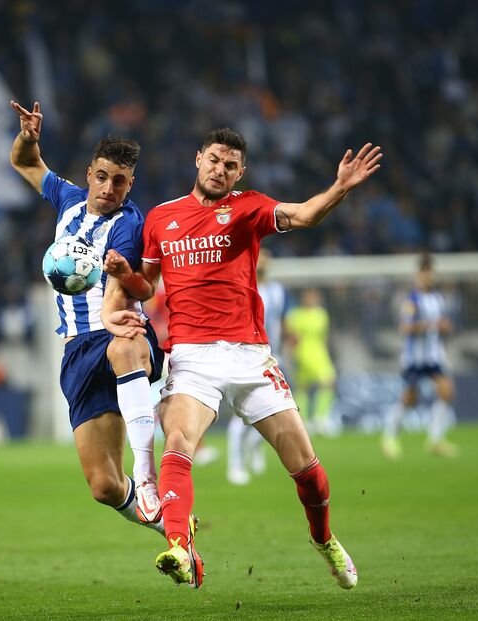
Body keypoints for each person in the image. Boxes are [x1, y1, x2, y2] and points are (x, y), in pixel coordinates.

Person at [102, 128, 382, 589]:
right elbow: (147, 288)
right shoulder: (162, 218)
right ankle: (178, 545)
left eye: (230, 165)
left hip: (250, 357)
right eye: (214, 160)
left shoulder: (249, 207)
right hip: (192, 357)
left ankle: (324, 538)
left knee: (307, 469)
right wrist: (126, 273)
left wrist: (340, 188)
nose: (220, 170)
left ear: (240, 172)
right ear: (198, 159)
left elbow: (306, 214)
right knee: (178, 441)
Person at [9, 100, 167, 534]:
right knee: (105, 486)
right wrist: (29, 136)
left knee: (126, 344)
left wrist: (112, 314)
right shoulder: (68, 200)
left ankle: (150, 478)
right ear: (88, 175)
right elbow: (25, 163)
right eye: (102, 177)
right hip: (77, 348)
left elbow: (120, 291)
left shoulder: (128, 225)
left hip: (116, 329)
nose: (109, 188)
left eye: (120, 181)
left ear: (129, 185)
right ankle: (172, 527)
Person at [382, 253, 459, 459]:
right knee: (409, 398)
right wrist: (431, 325)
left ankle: (435, 440)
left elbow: (442, 325)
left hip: (433, 356)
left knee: (446, 390)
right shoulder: (412, 300)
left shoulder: (438, 299)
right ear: (418, 275)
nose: (427, 277)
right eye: (424, 273)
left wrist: (445, 327)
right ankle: (389, 437)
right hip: (414, 358)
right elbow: (405, 327)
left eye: (430, 273)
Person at [225, 248, 285, 485]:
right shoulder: (239, 285)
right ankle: (235, 465)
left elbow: (281, 321)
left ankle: (255, 445)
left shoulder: (277, 291)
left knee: (281, 409)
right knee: (240, 416)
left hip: (272, 355)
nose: (264, 260)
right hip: (245, 356)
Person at [285, 287, 338, 436]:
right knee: (304, 387)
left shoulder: (322, 314)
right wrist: (293, 354)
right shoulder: (296, 315)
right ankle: (309, 419)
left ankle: (318, 417)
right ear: (303, 298)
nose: (311, 299)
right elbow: (291, 338)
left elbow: (325, 336)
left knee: (327, 382)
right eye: (308, 296)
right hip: (303, 353)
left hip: (320, 352)